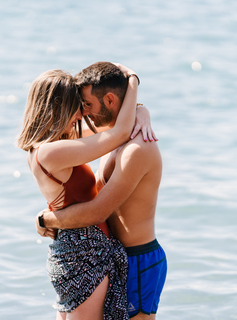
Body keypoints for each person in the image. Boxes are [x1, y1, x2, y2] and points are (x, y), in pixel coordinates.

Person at [36, 61, 167, 320]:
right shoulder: (115, 136)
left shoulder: (137, 149)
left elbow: (99, 211)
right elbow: (63, 137)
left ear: (109, 99)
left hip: (137, 260)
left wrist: (47, 218)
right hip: (113, 257)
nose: (83, 113)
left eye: (87, 105)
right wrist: (140, 109)